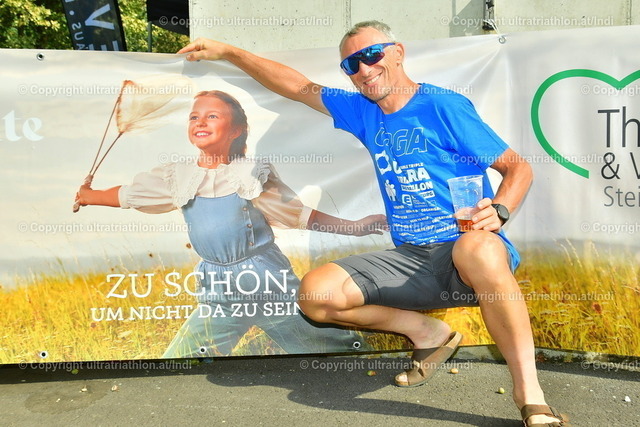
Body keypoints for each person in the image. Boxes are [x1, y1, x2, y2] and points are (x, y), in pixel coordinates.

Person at [177, 21, 567, 427]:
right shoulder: (364, 111)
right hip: (412, 259)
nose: (364, 69)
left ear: (398, 53)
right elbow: (297, 87)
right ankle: (427, 333)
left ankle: (531, 397)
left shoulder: (442, 105)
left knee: (477, 246)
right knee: (315, 295)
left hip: (468, 256)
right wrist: (230, 52)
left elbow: (517, 168)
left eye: (372, 55)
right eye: (351, 64)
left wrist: (499, 210)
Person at [76, 89, 386, 358]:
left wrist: (354, 227)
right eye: (194, 117)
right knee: (186, 353)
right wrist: (90, 196)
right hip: (217, 284)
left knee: (319, 340)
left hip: (265, 279)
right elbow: (130, 194)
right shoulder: (178, 176)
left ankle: (359, 361)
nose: (200, 122)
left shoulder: (250, 173)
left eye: (212, 116)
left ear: (236, 130)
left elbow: (299, 215)